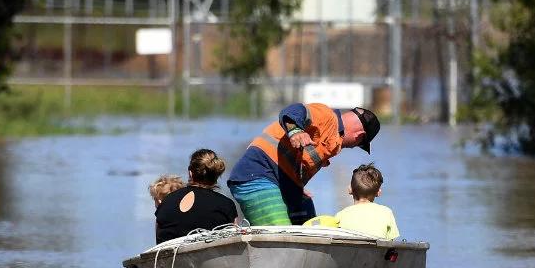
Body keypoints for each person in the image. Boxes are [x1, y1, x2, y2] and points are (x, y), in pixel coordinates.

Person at [227, 103, 381, 225]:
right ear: (359, 136)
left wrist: (296, 187)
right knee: (282, 236)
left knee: (307, 214)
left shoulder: (333, 139)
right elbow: (291, 111)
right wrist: (295, 131)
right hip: (257, 175)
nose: (353, 146)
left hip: (277, 182)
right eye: (359, 144)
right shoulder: (327, 116)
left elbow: (296, 163)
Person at [155, 149, 239, 243]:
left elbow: (158, 239)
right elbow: (235, 240)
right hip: (211, 256)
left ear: (190, 173)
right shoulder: (227, 205)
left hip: (171, 256)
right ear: (216, 175)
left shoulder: (166, 202)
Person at [335, 163, 400, 239]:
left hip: (349, 250)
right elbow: (391, 243)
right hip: (378, 251)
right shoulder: (386, 213)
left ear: (350, 189)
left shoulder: (340, 215)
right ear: (378, 192)